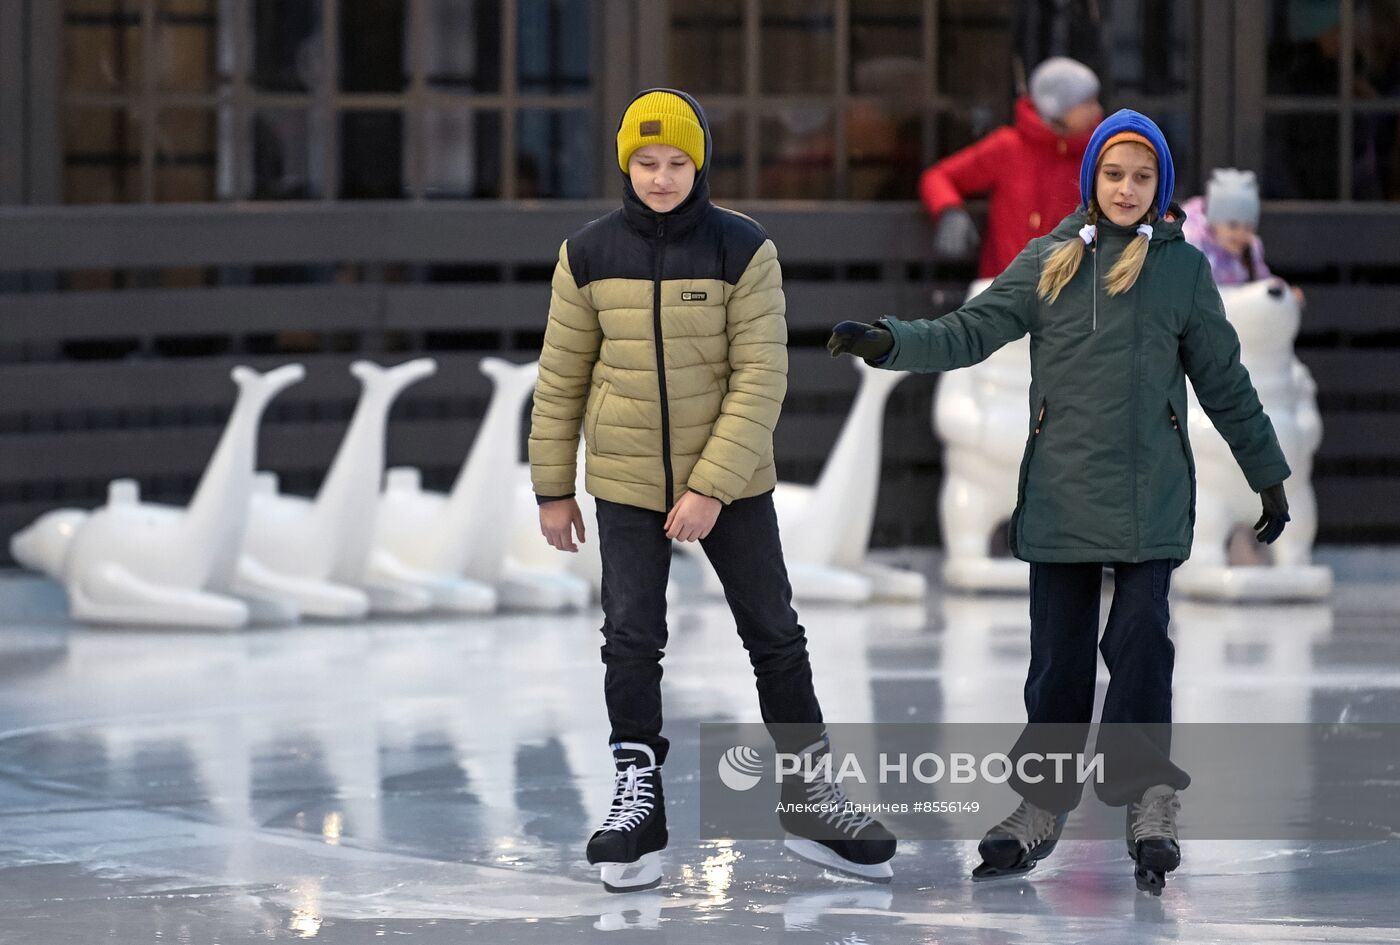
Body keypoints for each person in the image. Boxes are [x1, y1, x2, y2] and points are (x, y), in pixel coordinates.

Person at [828, 109, 1293, 896]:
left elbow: (1224, 378)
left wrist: (1267, 471)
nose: (1125, 188)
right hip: (1064, 494)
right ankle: (1042, 801)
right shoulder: (1050, 261)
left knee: (1143, 638)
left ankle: (1149, 795)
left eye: (1141, 176)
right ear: (1092, 181)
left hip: (1150, 497)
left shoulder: (1181, 272)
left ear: (1162, 187)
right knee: (1057, 667)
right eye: (1113, 174)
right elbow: (970, 330)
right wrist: (889, 342)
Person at [528, 88, 897, 893]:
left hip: (731, 487)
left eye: (677, 162)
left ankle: (811, 797)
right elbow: (561, 378)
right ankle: (638, 803)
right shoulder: (587, 253)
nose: (662, 177)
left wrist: (709, 488)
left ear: (700, 164)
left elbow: (761, 377)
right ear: (626, 164)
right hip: (623, 483)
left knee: (773, 632)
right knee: (630, 638)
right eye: (646, 162)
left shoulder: (742, 247)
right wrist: (553, 488)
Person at [920, 57, 1102, 279]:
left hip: (1070, 291)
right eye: (1087, 102)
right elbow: (939, 176)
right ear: (1057, 106)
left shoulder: (1097, 153)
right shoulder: (1008, 147)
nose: (1096, 110)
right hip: (1004, 289)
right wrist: (949, 210)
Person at [1183, 167, 1305, 306]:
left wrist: (1285, 295)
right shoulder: (1193, 248)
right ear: (1213, 224)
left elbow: (1262, 283)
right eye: (1233, 225)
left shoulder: (1250, 250)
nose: (1241, 234)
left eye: (1248, 227)